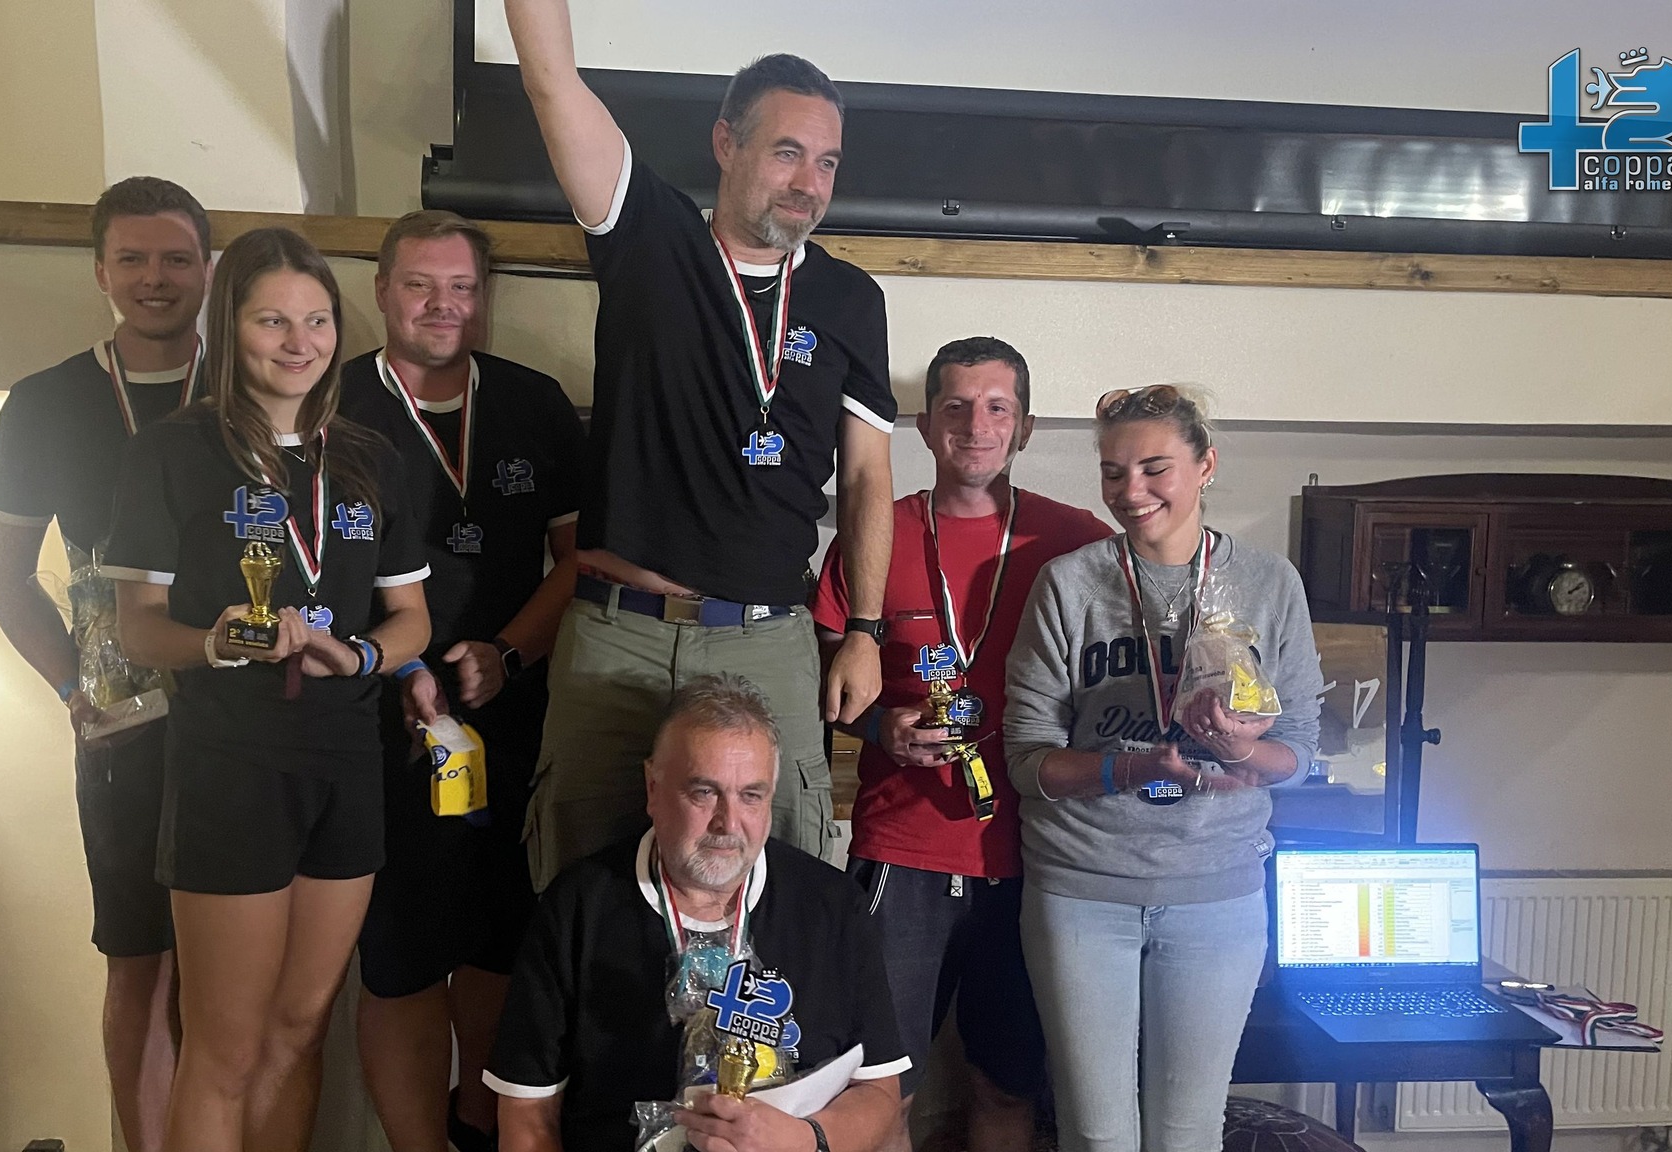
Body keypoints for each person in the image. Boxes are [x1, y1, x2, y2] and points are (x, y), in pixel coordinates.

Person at [504, 0, 898, 884]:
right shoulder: (646, 236)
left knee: (782, 888)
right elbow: (551, 79)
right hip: (617, 636)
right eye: (787, 152)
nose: (809, 182)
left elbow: (868, 479)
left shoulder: (850, 300)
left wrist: (866, 630)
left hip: (767, 641)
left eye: (827, 161)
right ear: (726, 144)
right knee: (581, 888)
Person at [102, 226, 432, 1152]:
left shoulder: (368, 456)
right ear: (230, 327)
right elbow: (138, 626)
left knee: (299, 1031)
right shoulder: (172, 453)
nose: (300, 342)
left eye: (317, 321)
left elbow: (411, 619)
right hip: (229, 764)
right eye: (272, 320)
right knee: (225, 1048)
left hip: (346, 760)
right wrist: (213, 642)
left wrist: (359, 658)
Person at [1003, 385, 1324, 1152]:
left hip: (1218, 894)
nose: (1131, 491)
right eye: (1114, 473)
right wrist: (1129, 769)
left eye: (1154, 469)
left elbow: (1300, 753)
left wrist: (1240, 750)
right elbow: (1026, 761)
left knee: (1188, 1133)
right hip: (1082, 890)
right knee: (1096, 1134)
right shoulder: (1069, 584)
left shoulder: (1269, 583)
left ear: (1205, 465)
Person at [813, 338, 1112, 1152]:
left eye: (997, 408)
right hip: (902, 851)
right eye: (955, 407)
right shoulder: (875, 534)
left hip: (1037, 856)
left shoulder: (1075, 540)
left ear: (1025, 427)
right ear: (924, 425)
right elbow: (820, 675)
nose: (976, 426)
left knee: (1005, 1085)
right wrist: (879, 724)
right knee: (879, 1093)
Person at [337, 209, 584, 1151]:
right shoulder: (332, 403)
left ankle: (479, 1128)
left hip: (514, 711)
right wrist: (394, 664)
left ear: (485, 297)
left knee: (501, 944)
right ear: (382, 292)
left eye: (463, 287)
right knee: (399, 958)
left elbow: (578, 561)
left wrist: (508, 654)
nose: (443, 305)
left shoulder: (533, 401)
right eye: (420, 285)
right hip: (377, 718)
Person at [0, 175, 211, 1152]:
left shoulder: (255, 385)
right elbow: (6, 576)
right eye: (133, 259)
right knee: (139, 962)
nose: (156, 278)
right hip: (122, 730)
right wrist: (75, 691)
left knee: (231, 976)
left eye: (177, 258)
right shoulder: (45, 402)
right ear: (101, 272)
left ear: (208, 270)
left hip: (245, 722)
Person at [487, 674, 910, 1152]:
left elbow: (879, 1092)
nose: (728, 823)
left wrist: (804, 1138)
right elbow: (527, 1112)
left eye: (751, 795)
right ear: (653, 788)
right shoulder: (577, 908)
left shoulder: (833, 904)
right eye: (704, 792)